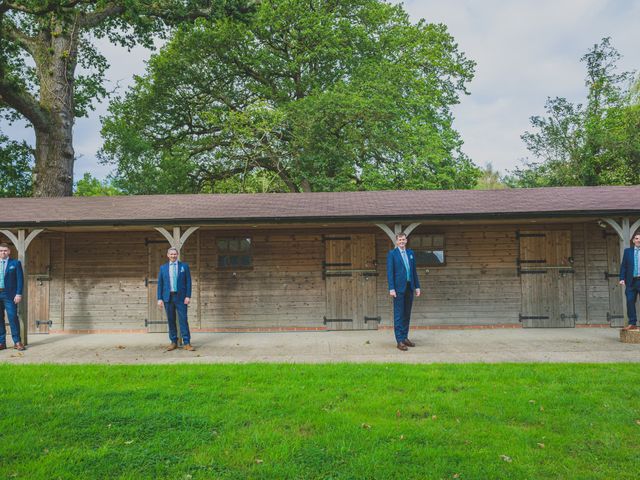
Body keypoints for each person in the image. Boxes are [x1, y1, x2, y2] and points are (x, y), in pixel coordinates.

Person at [387, 233, 421, 351]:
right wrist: (391, 288)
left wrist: (417, 287)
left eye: (403, 239)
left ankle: (405, 337)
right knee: (399, 314)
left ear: (406, 240)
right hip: (398, 289)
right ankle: (399, 340)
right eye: (399, 239)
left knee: (407, 313)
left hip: (409, 287)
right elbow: (390, 272)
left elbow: (414, 272)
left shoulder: (410, 253)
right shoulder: (392, 254)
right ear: (396, 242)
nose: (402, 241)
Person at [157, 247, 195, 351]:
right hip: (168, 297)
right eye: (171, 254)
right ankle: (174, 342)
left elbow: (188, 282)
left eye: (175, 254)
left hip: (181, 297)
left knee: (183, 320)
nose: (173, 256)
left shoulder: (184, 266)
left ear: (177, 255)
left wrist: (188, 296)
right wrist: (159, 298)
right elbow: (160, 284)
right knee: (171, 320)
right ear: (168, 255)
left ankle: (187, 343)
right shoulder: (163, 268)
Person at [0, 243, 25, 351]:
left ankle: (17, 342)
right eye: (1, 251)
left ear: (9, 251)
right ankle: (2, 343)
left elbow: (20, 280)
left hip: (9, 294)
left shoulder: (15, 263)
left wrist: (18, 293)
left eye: (5, 250)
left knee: (13, 318)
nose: (3, 252)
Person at [619, 232, 640, 331]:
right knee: (629, 301)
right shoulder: (628, 251)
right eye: (636, 238)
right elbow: (624, 266)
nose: (638, 240)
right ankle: (632, 323)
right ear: (633, 240)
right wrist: (622, 278)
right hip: (631, 282)